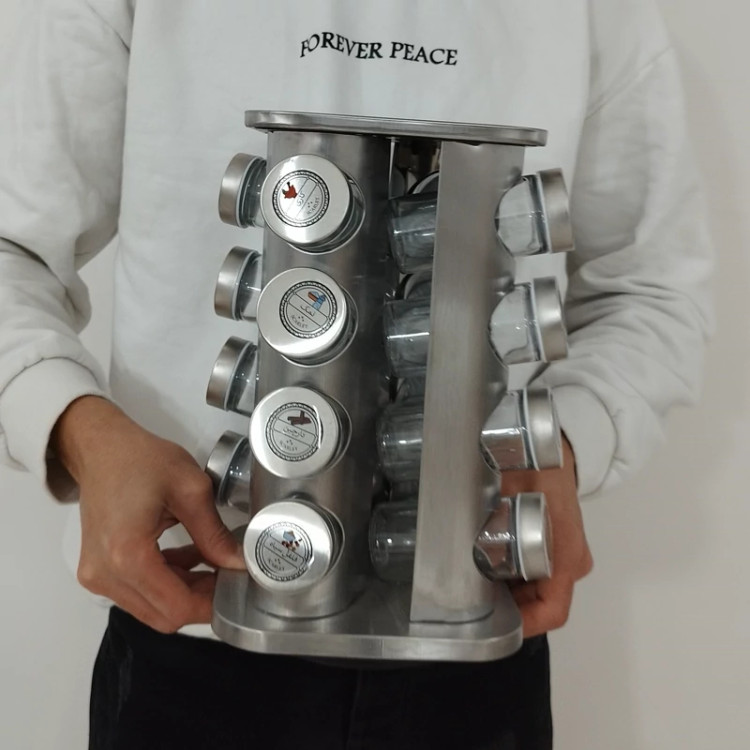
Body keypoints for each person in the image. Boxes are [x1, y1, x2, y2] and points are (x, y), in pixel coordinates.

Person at [0, 0, 713, 748]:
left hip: (473, 636)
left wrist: (568, 443)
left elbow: (651, 288)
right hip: (195, 625)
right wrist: (78, 429)